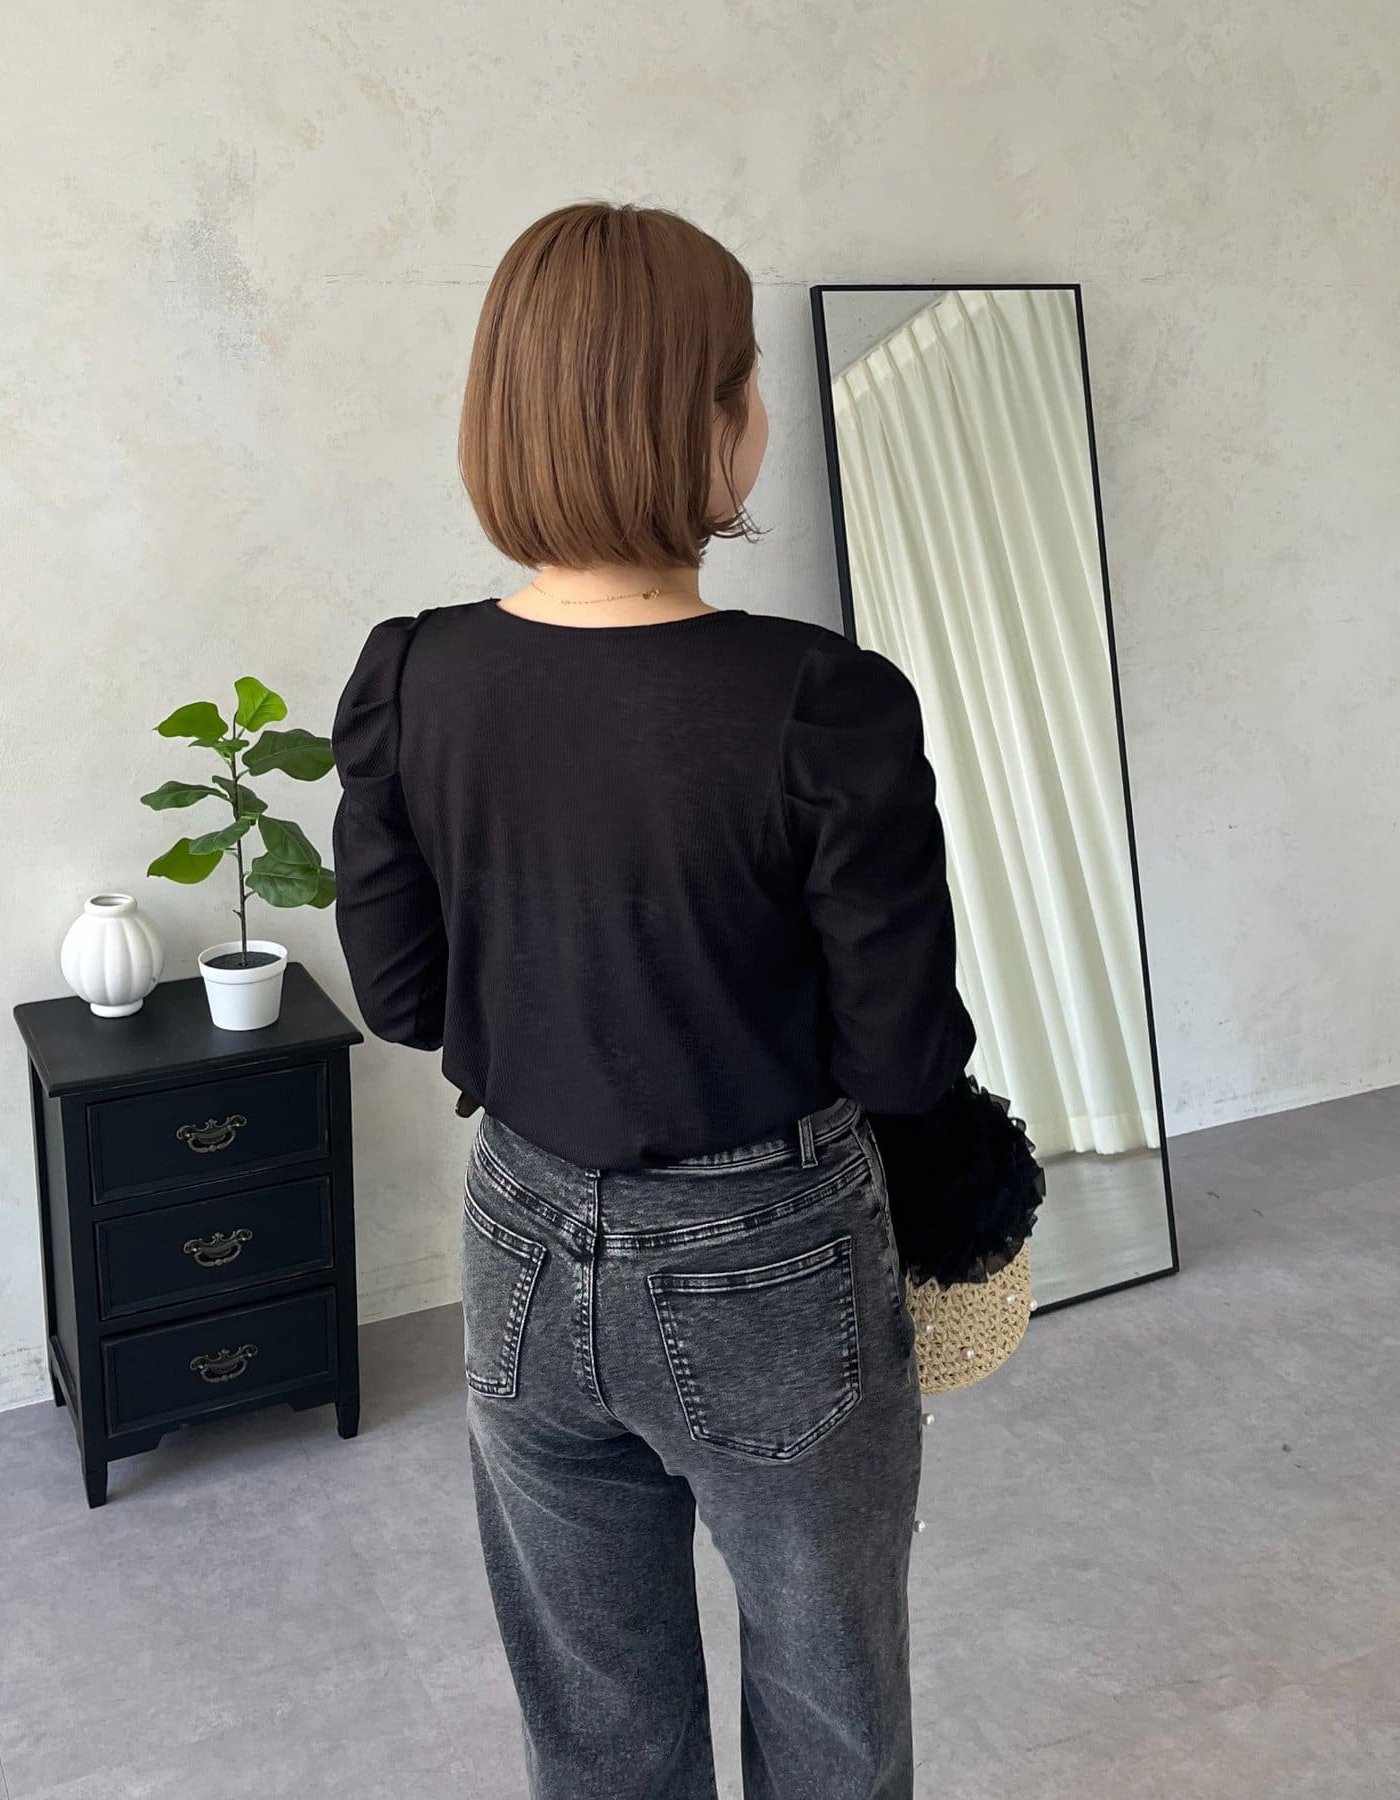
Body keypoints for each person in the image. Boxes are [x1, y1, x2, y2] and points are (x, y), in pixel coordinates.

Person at [330, 201, 1028, 1800]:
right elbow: (902, 1053)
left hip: (518, 1238)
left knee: (596, 1728)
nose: (760, 412)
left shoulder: (410, 675)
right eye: (745, 379)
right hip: (769, 1258)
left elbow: (404, 993)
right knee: (831, 1702)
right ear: (703, 421)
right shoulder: (822, 702)